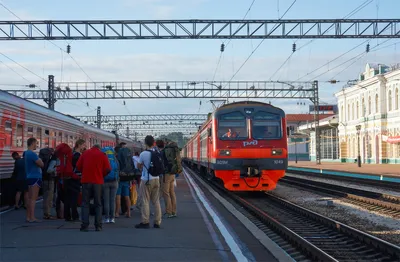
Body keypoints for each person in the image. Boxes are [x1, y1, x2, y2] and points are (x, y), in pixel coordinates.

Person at [76, 144, 111, 232]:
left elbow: (78, 166)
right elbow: (108, 169)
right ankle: (98, 226)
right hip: (98, 182)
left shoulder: (85, 153)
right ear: (99, 148)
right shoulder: (102, 155)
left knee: (85, 203)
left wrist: (84, 172)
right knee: (98, 204)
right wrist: (101, 175)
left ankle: (85, 226)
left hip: (86, 181)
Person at [135, 135, 162, 229]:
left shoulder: (143, 154)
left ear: (145, 143)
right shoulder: (156, 152)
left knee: (145, 200)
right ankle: (157, 222)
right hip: (156, 179)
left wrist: (142, 166)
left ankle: (145, 222)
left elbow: (138, 166)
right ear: (153, 143)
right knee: (156, 201)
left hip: (146, 179)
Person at [64, 139, 85, 222]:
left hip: (66, 178)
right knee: (74, 198)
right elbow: (79, 168)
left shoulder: (70, 154)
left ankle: (67, 216)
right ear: (79, 145)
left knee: (67, 198)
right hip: (74, 178)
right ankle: (75, 216)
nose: (84, 147)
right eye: (83, 145)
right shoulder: (78, 155)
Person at [25, 137, 44, 223]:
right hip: (35, 177)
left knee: (30, 198)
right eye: (36, 143)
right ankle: (32, 217)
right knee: (33, 198)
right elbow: (41, 164)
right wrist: (41, 161)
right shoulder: (32, 154)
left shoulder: (26, 153)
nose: (36, 145)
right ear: (32, 143)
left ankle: (28, 217)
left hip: (29, 177)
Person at [162, 139, 182, 218]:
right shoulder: (175, 150)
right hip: (173, 173)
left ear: (166, 143)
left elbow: (163, 162)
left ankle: (168, 212)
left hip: (167, 174)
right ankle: (174, 211)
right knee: (172, 192)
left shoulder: (166, 150)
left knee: (166, 193)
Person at [102, 146, 119, 224]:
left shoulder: (103, 159)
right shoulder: (115, 159)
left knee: (106, 200)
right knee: (112, 200)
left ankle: (106, 218)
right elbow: (118, 169)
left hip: (105, 181)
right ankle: (112, 218)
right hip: (114, 181)